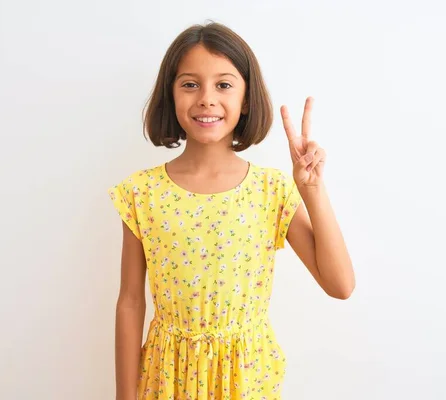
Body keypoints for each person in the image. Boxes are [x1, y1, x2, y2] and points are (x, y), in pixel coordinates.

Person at [107, 21, 355, 400]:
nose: (206, 98)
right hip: (166, 379)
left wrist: (312, 190)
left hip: (246, 380)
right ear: (170, 95)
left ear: (246, 99)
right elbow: (130, 301)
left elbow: (340, 285)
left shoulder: (271, 191)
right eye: (190, 84)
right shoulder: (142, 193)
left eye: (223, 84)